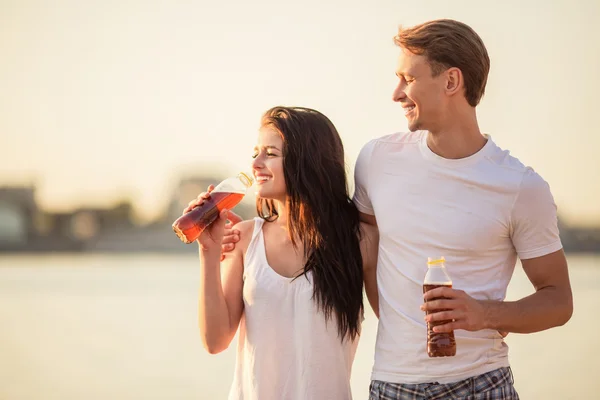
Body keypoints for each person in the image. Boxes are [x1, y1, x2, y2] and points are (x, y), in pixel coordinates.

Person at [351, 19, 573, 399]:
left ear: (451, 82)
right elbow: (365, 250)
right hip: (391, 385)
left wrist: (485, 314)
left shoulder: (521, 187)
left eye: (408, 78)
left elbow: (558, 301)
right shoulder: (376, 160)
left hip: (481, 384)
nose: (396, 93)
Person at [184, 106, 379, 400]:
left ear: (310, 161)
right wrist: (208, 253)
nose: (256, 164)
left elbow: (395, 325)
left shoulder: (359, 241)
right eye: (255, 153)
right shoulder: (245, 239)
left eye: (271, 154)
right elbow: (215, 341)